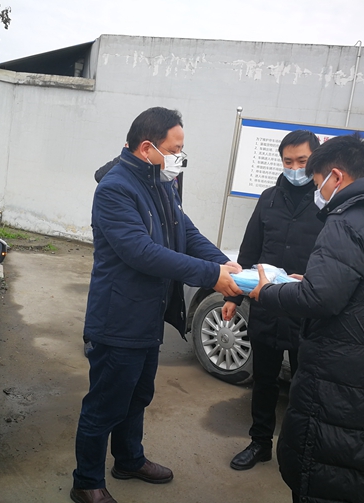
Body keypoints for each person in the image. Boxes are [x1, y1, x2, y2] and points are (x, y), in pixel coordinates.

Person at [248, 134, 364, 503]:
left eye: (317, 180)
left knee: (325, 464)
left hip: (344, 368)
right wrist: (313, 281)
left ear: (335, 176)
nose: (315, 189)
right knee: (363, 459)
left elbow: (320, 297)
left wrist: (265, 292)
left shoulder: (349, 218)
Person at [71, 107, 242, 503]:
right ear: (147, 147)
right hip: (118, 318)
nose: (180, 157)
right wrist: (210, 275)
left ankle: (129, 459)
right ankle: (87, 482)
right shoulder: (115, 189)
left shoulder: (162, 182)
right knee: (105, 404)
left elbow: (186, 232)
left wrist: (224, 264)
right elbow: (142, 252)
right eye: (175, 149)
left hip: (148, 316)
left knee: (137, 396)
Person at [222, 130, 323, 471]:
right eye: (288, 161)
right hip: (265, 305)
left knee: (305, 387)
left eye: (302, 161)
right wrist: (233, 296)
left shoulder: (327, 203)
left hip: (306, 310)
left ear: (315, 160)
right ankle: (260, 443)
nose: (294, 168)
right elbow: (250, 251)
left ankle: (302, 451)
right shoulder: (268, 199)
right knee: (264, 380)